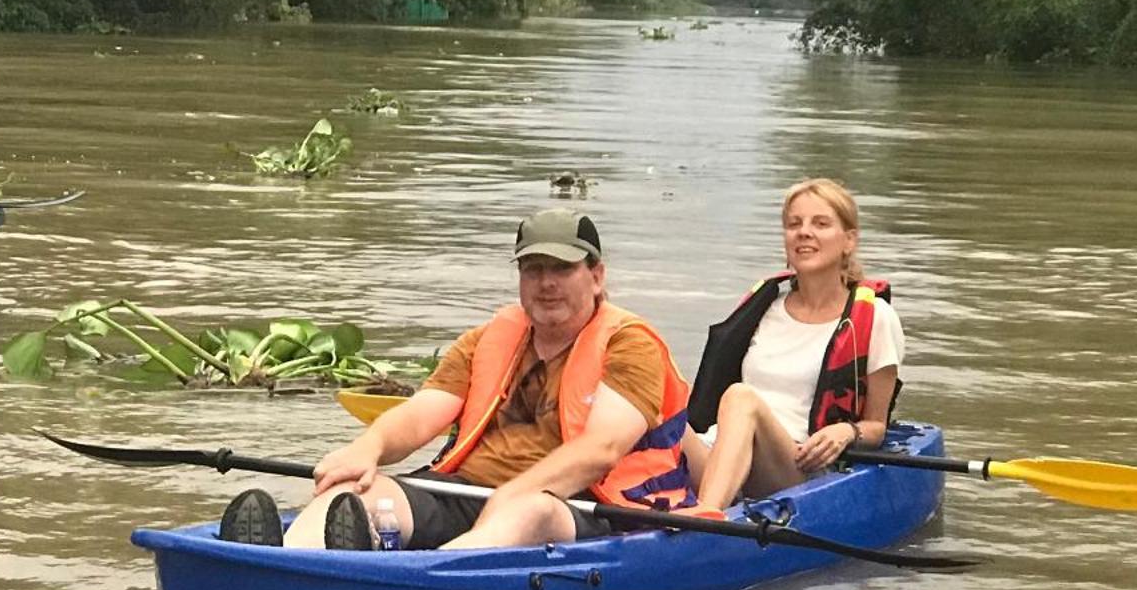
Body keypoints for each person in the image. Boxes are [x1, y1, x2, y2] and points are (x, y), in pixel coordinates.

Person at [218, 209, 693, 551]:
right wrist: (368, 448)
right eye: (534, 270)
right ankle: (274, 563)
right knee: (354, 492)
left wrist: (515, 492)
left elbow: (602, 449)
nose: (547, 283)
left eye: (562, 269)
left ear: (596, 276)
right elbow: (422, 413)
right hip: (464, 489)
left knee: (526, 511)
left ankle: (419, 580)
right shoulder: (486, 340)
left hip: (579, 505)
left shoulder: (630, 344)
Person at [679, 178, 905, 510]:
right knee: (651, 396)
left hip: (798, 468)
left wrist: (846, 431)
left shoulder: (876, 319)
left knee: (742, 399)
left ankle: (707, 515)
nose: (803, 232)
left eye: (821, 223)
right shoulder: (764, 307)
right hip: (717, 451)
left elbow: (876, 425)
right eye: (794, 224)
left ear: (849, 240)